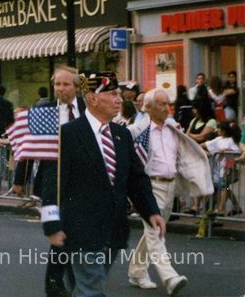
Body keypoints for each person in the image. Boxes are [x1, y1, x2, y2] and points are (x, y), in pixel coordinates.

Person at [41, 72, 164, 297]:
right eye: (113, 94)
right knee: (91, 288)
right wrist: (51, 223)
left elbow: (136, 178)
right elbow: (52, 181)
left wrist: (151, 211)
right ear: (93, 98)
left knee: (89, 286)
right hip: (81, 229)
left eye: (120, 95)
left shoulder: (122, 135)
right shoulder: (68, 134)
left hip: (114, 230)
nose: (120, 99)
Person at [126, 88, 211, 294]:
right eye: (162, 105)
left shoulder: (173, 128)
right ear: (149, 108)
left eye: (168, 104)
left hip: (170, 185)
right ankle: (169, 276)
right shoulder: (137, 130)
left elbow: (184, 154)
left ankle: (137, 272)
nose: (167, 108)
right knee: (156, 231)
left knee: (152, 232)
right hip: (149, 186)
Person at [18, 65, 85, 297]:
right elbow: (28, 146)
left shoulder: (88, 110)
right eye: (57, 84)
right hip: (52, 182)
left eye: (66, 84)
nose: (60, 89)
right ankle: (54, 285)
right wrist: (20, 179)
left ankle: (74, 280)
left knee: (75, 234)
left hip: (81, 182)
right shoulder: (44, 110)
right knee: (57, 230)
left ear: (76, 87)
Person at [202, 121, 242, 216]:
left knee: (224, 187)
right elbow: (204, 145)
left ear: (224, 131)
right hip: (219, 170)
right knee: (225, 188)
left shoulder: (231, 141)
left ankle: (220, 208)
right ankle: (233, 206)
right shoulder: (218, 139)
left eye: (219, 129)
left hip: (225, 170)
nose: (217, 130)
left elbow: (234, 154)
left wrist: (227, 168)